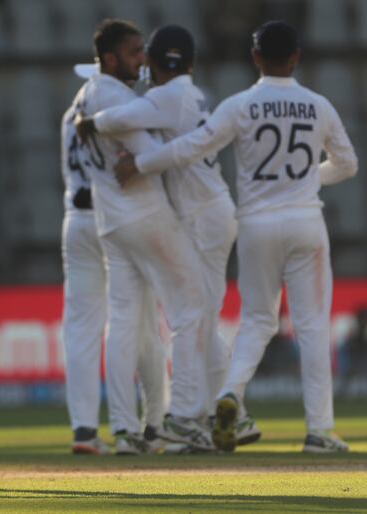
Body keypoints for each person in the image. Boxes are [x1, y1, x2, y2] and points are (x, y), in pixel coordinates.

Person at [114, 21, 357, 453]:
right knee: (313, 326)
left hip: (256, 224)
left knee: (257, 321)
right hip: (305, 220)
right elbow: (348, 164)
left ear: (255, 57)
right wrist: (304, 181)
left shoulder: (240, 104)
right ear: (296, 57)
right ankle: (319, 430)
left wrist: (143, 164)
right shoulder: (318, 105)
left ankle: (230, 394)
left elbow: (193, 147)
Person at [74, 25, 260, 449]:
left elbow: (136, 137)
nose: (140, 61)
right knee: (195, 312)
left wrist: (96, 126)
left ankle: (144, 425)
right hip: (162, 214)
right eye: (134, 52)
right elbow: (141, 139)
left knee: (156, 319)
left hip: (132, 218)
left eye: (145, 53)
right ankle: (193, 416)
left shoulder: (104, 97)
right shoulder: (158, 94)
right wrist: (135, 157)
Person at [60, 62, 168, 456]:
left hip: (77, 221)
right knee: (140, 326)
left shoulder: (70, 115)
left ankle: (84, 429)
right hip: (116, 218)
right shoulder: (119, 110)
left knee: (81, 329)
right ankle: (155, 423)